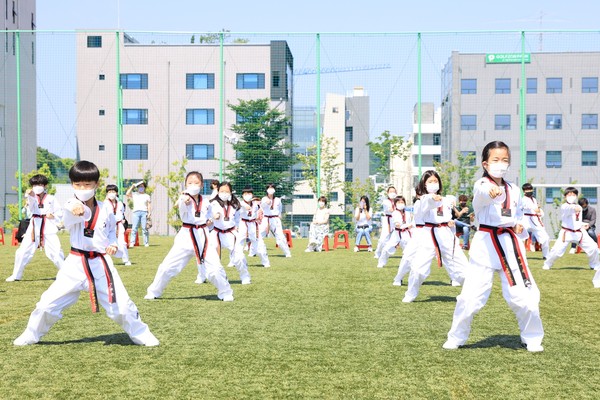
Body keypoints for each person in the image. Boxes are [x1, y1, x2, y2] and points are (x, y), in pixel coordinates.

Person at [13, 161, 159, 346]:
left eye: (87, 184)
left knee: (122, 307)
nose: (82, 188)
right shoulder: (70, 204)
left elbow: (110, 233)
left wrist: (113, 245)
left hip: (100, 262)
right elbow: (67, 215)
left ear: (96, 185)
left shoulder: (106, 208)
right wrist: (73, 206)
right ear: (72, 185)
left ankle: (141, 333)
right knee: (46, 305)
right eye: (77, 184)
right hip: (75, 263)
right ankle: (31, 334)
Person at [443, 140, 544, 353]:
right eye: (495, 160)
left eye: (505, 160)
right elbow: (481, 194)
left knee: (525, 296)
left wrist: (520, 225)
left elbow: (518, 216)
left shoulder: (515, 190)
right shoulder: (481, 185)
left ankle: (532, 337)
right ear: (485, 164)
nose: (501, 164)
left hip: (510, 244)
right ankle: (456, 336)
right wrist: (491, 190)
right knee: (470, 297)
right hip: (486, 243)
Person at [145, 171, 234, 301]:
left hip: (203, 235)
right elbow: (180, 205)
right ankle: (154, 291)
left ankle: (226, 292)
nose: (193, 185)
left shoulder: (206, 201)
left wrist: (209, 222)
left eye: (196, 183)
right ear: (186, 185)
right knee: (167, 266)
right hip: (186, 235)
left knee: (215, 268)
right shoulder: (184, 198)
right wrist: (184, 201)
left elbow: (209, 218)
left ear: (202, 184)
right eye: (190, 183)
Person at [402, 171, 467, 303]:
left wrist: (450, 222)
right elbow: (425, 206)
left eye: (435, 181)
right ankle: (410, 294)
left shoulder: (447, 200)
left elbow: (448, 216)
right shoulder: (422, 200)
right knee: (418, 268)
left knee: (460, 264)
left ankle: (469, 293)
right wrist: (431, 198)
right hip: (429, 234)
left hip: (445, 233)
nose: (433, 184)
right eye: (430, 182)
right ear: (424, 185)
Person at [7, 174, 65, 282]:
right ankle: (16, 275)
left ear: (45, 185)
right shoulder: (31, 197)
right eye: (34, 184)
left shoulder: (51, 198)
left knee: (56, 252)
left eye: (39, 184)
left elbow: (59, 212)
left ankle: (67, 275)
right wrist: (30, 195)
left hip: (48, 227)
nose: (37, 186)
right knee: (22, 251)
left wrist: (53, 216)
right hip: (34, 228)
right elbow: (31, 207)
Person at [543, 188, 600, 276]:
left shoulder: (579, 207)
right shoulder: (564, 206)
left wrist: (583, 224)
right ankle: (547, 264)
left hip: (579, 232)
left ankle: (594, 265)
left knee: (594, 247)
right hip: (566, 233)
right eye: (569, 195)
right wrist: (574, 207)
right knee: (556, 251)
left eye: (573, 195)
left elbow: (576, 220)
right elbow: (569, 209)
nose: (571, 197)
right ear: (565, 197)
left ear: (576, 196)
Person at [205, 182, 251, 284]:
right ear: (218, 192)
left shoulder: (235, 204)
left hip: (231, 233)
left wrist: (238, 228)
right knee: (211, 256)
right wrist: (212, 218)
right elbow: (207, 218)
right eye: (222, 191)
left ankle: (245, 276)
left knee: (239, 257)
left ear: (230, 192)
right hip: (216, 232)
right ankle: (207, 276)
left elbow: (238, 218)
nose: (224, 193)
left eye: (226, 191)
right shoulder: (212, 203)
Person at [393, 193, 424, 286]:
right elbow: (399, 225)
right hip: (407, 235)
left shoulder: (409, 213)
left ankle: (416, 278)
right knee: (407, 258)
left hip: (421, 235)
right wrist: (408, 226)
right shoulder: (397, 213)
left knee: (419, 259)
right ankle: (398, 278)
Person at [235, 187, 270, 267]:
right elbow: (239, 205)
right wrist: (244, 205)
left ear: (252, 195)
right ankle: (235, 261)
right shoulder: (240, 203)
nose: (247, 195)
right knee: (238, 243)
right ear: (242, 195)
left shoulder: (255, 204)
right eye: (245, 194)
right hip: (243, 223)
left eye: (249, 194)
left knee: (259, 243)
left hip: (253, 224)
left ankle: (265, 262)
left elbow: (262, 206)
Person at [377, 196, 414, 268]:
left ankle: (411, 264)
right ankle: (381, 263)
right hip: (396, 233)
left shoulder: (408, 213)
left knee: (409, 250)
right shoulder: (394, 213)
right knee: (386, 248)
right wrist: (400, 224)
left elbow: (410, 223)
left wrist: (410, 226)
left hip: (406, 233)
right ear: (395, 204)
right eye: (399, 202)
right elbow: (397, 224)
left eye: (402, 202)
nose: (401, 204)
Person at [260, 183, 292, 258]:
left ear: (274, 190)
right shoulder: (264, 199)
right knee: (260, 234)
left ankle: (287, 252)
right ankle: (253, 252)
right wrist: (266, 203)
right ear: (267, 190)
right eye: (269, 188)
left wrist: (279, 215)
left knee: (280, 236)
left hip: (275, 219)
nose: (270, 190)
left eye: (272, 188)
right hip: (266, 218)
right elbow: (262, 207)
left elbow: (280, 208)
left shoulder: (278, 199)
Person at [103, 184, 131, 266]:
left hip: (119, 225)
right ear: (107, 193)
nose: (111, 193)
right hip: (108, 226)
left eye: (113, 191)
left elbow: (121, 214)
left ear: (116, 193)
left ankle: (126, 260)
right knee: (106, 243)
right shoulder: (104, 203)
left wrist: (123, 221)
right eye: (109, 192)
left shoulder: (120, 203)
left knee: (122, 243)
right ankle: (106, 260)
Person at [520, 183, 550, 258]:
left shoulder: (534, 199)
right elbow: (530, 207)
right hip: (525, 220)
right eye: (527, 189)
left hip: (535, 220)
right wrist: (535, 208)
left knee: (545, 238)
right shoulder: (523, 200)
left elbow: (538, 210)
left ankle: (546, 255)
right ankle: (518, 255)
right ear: (524, 191)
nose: (529, 191)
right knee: (519, 238)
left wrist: (539, 211)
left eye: (530, 189)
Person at [374, 186, 398, 259]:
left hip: (395, 219)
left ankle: (388, 252)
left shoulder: (398, 201)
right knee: (383, 238)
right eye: (391, 192)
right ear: (387, 193)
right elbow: (390, 209)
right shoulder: (385, 201)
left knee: (397, 237)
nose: (392, 193)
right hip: (387, 219)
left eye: (394, 191)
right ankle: (378, 252)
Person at [126, 181, 151, 247]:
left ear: (144, 188)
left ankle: (146, 243)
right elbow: (127, 194)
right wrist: (132, 186)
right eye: (139, 186)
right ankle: (132, 242)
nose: (141, 188)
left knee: (144, 228)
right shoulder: (135, 194)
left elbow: (149, 205)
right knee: (134, 228)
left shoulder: (147, 196)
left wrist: (149, 213)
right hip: (136, 212)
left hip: (144, 212)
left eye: (142, 186)